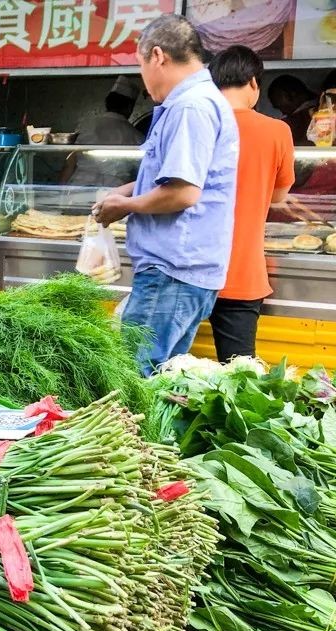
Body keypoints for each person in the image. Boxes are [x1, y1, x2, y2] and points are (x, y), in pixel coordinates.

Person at [94, 14, 239, 376]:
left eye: (141, 65)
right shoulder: (198, 101)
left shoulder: (190, 107)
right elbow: (173, 177)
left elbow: (183, 193)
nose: (144, 79)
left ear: (157, 56)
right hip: (185, 270)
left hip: (172, 269)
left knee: (132, 380)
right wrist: (126, 190)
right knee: (162, 380)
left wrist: (124, 206)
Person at [208, 46, 294, 362]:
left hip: (186, 271)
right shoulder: (277, 131)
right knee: (238, 377)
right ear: (254, 84)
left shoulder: (196, 125)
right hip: (242, 273)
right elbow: (279, 196)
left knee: (166, 372)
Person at [62, 76, 145, 189]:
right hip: (112, 194)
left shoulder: (85, 126)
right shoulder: (136, 136)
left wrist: (60, 194)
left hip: (78, 191)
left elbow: (69, 164)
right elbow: (143, 172)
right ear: (129, 107)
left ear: (107, 103)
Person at [267, 75, 317, 146]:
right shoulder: (325, 108)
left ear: (289, 95)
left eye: (279, 106)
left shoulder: (290, 123)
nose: (281, 111)